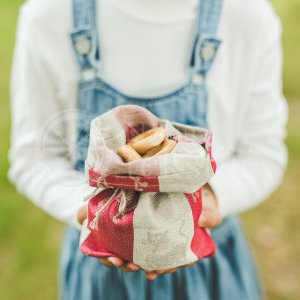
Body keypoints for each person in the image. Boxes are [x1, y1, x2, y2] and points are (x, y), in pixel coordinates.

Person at [9, 0, 288, 299]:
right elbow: (33, 158)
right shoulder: (49, 16)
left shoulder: (247, 17)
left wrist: (212, 197)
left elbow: (263, 153)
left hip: (208, 268)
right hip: (99, 268)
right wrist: (91, 215)